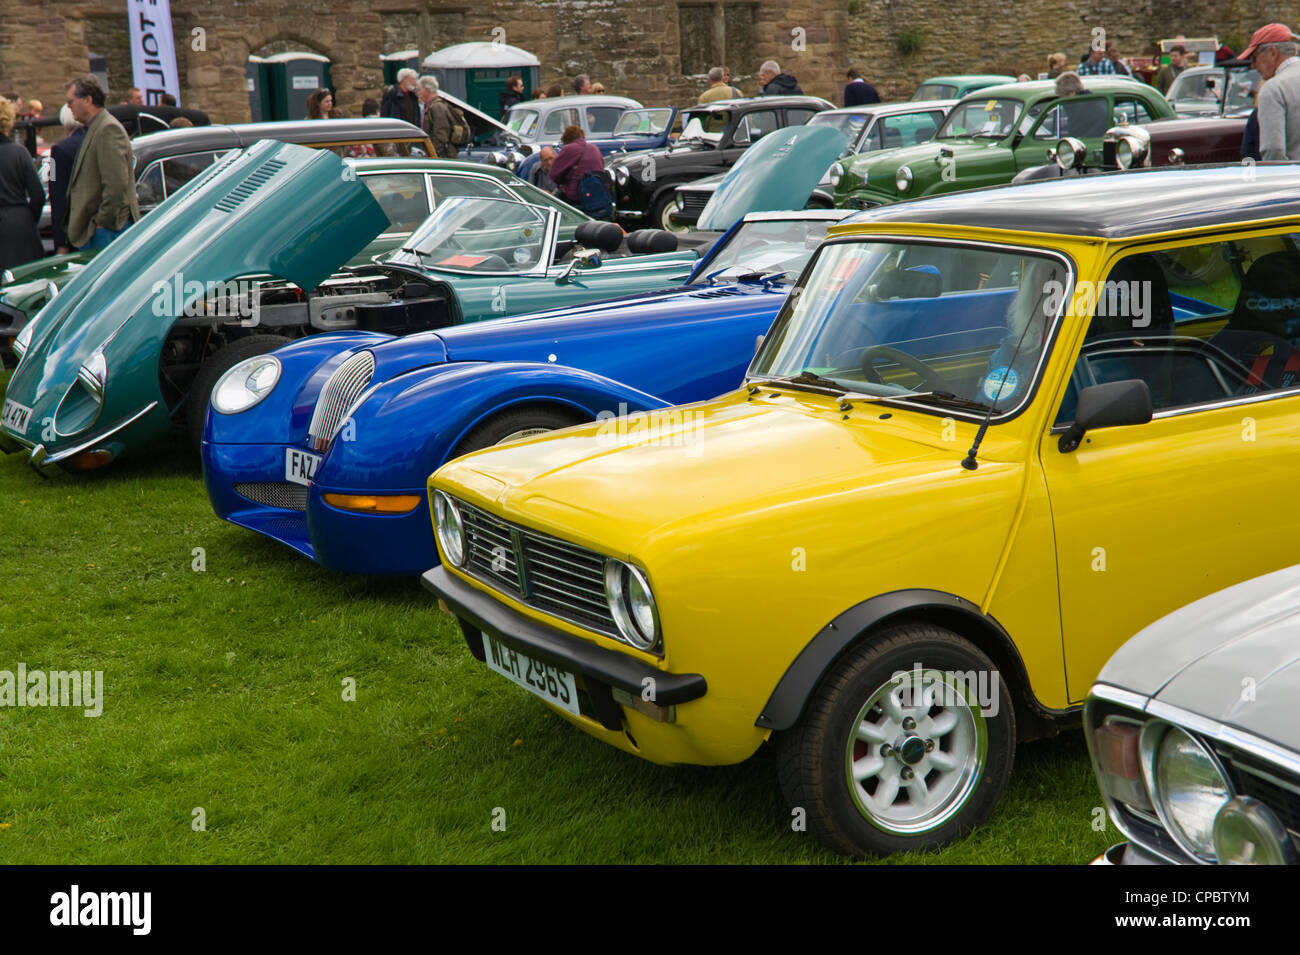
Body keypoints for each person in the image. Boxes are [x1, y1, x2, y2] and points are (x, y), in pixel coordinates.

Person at [63, 75, 139, 251]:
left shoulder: (107, 129)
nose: (68, 106)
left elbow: (116, 184)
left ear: (88, 100)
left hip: (107, 232)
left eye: (71, 101)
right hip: (101, 231)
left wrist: (103, 222)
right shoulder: (97, 128)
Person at [1243, 23, 1300, 160]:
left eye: (1254, 57)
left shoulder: (1273, 89)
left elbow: (1273, 149)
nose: (1253, 65)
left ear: (1273, 52)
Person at [0, 96, 45, 269]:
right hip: (21, 225)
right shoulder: (20, 153)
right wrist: (28, 219)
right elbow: (38, 195)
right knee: (27, 280)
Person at [548, 124, 610, 219]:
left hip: (576, 196)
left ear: (566, 139)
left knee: (551, 206)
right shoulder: (594, 148)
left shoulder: (568, 149)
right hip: (596, 195)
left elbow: (553, 174)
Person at [419, 75, 470, 158]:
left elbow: (441, 134)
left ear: (427, 90)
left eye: (419, 89)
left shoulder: (437, 107)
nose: (418, 92)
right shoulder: (431, 106)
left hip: (443, 156)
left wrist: (432, 154)